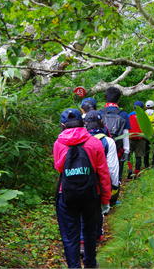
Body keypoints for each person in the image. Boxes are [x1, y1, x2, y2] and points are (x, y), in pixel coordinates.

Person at [53, 108, 111, 268]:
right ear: (82, 123)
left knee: (70, 235)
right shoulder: (94, 142)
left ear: (62, 125)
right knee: (90, 232)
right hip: (91, 195)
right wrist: (106, 199)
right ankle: (90, 264)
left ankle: (74, 266)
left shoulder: (59, 143)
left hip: (66, 195)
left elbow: (59, 167)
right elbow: (103, 173)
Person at [82, 110, 119, 246]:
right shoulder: (107, 141)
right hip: (99, 182)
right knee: (97, 209)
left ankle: (82, 240)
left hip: (81, 180)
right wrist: (114, 186)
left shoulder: (79, 139)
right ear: (101, 123)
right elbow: (112, 168)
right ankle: (96, 235)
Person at [99, 87, 130, 205]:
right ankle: (113, 200)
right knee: (117, 174)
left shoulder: (100, 113)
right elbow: (125, 134)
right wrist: (126, 151)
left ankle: (102, 199)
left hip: (101, 149)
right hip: (119, 149)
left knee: (101, 173)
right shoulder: (123, 114)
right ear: (119, 99)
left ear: (106, 98)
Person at [128, 101, 148, 177]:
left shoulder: (129, 115)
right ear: (142, 108)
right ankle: (137, 172)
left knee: (128, 156)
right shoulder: (143, 115)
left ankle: (129, 171)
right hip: (140, 138)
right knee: (138, 156)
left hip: (130, 137)